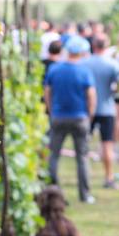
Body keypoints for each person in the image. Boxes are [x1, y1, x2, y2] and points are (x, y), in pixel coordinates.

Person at [45, 35, 96, 204]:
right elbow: (91, 96)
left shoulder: (55, 69)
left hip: (58, 116)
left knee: (54, 155)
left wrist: (52, 111)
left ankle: (53, 191)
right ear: (81, 52)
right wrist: (89, 115)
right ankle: (85, 194)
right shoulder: (84, 71)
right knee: (82, 157)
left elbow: (47, 92)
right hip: (79, 117)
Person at [86, 36, 119, 188]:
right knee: (107, 145)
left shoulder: (84, 63)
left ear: (93, 46)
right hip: (107, 108)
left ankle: (85, 177)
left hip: (88, 109)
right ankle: (108, 177)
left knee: (84, 144)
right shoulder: (113, 65)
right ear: (106, 47)